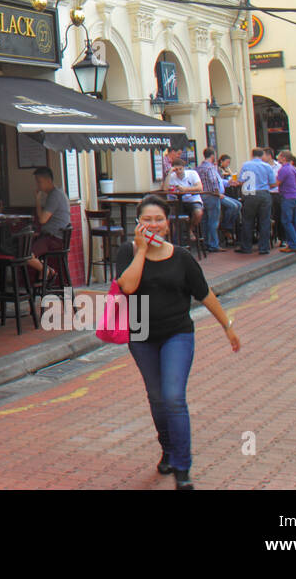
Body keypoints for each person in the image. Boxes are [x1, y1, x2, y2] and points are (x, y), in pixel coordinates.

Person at [113, 195, 240, 489]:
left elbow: (204, 293)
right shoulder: (127, 252)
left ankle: (182, 468)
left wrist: (227, 326)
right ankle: (167, 449)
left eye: (159, 219)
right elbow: (127, 286)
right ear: (138, 224)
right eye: (147, 220)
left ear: (168, 224)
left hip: (177, 333)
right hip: (141, 335)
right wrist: (142, 251)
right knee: (157, 398)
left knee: (173, 397)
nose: (153, 225)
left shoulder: (182, 257)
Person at [30, 166, 72, 284]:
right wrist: (38, 200)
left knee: (26, 255)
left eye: (39, 182)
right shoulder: (57, 193)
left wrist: (38, 200)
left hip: (54, 238)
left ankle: (48, 271)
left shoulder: (55, 196)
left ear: (48, 181)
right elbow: (42, 218)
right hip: (54, 236)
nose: (37, 185)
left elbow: (42, 219)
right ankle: (43, 275)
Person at [237, 148, 276, 254]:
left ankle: (246, 247)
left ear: (252, 154)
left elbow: (241, 181)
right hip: (264, 194)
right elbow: (272, 183)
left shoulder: (246, 165)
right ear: (262, 155)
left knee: (248, 221)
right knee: (264, 221)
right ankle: (264, 247)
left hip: (250, 194)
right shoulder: (267, 166)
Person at [165, 158, 204, 244]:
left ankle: (190, 229)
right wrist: (169, 173)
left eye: (180, 169)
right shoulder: (172, 176)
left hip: (192, 199)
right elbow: (165, 189)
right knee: (171, 218)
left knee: (198, 213)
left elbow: (200, 188)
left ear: (184, 168)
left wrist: (185, 189)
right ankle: (173, 242)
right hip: (177, 201)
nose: (178, 171)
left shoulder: (192, 174)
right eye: (176, 169)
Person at [196, 148, 224, 252]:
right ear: (212, 156)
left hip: (202, 196)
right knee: (213, 221)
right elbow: (213, 182)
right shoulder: (210, 168)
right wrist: (217, 193)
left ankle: (205, 243)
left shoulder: (198, 168)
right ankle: (214, 244)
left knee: (204, 221)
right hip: (212, 195)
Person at [275, 149, 296, 252]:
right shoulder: (293, 168)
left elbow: (276, 183)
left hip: (287, 197)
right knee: (294, 221)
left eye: (279, 156)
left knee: (286, 221)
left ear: (284, 158)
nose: (277, 157)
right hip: (294, 197)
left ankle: (293, 244)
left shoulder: (283, 169)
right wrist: (295, 188)